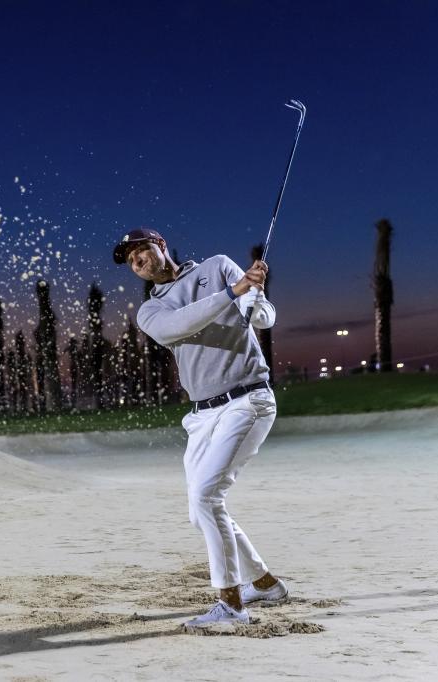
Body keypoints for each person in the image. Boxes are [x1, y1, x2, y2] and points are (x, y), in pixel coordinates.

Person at [113, 227, 288, 630]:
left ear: (159, 245)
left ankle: (231, 605)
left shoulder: (217, 266)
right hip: (201, 416)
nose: (137, 263)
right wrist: (232, 293)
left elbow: (264, 317)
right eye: (131, 262)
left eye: (140, 252)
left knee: (208, 497)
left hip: (247, 400)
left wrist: (254, 295)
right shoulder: (150, 312)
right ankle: (264, 583)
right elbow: (177, 326)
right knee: (200, 509)